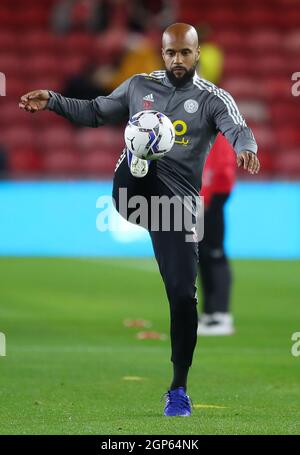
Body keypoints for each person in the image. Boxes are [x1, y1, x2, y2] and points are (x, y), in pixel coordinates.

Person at [19, 23, 260, 417]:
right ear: (161, 54)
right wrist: (53, 100)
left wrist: (246, 148)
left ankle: (178, 390)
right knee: (138, 163)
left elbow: (238, 127)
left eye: (185, 52)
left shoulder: (213, 99)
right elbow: (96, 111)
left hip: (175, 210)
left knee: (183, 296)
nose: (178, 60)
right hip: (133, 193)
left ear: (197, 54)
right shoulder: (137, 87)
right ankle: (139, 157)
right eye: (171, 53)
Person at [197, 133, 236, 336]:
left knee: (214, 254)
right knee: (203, 256)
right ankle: (209, 313)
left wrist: (207, 197)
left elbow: (221, 169)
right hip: (204, 197)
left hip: (213, 197)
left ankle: (221, 315)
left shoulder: (219, 130)